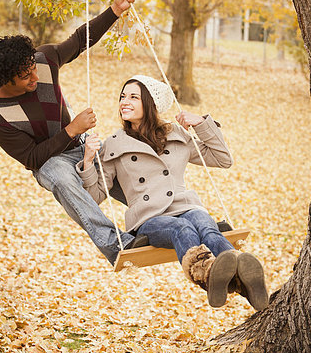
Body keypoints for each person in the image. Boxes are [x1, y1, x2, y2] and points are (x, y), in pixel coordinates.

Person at [0, 0, 148, 266]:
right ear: (5, 79)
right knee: (60, 176)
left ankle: (175, 220)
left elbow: (80, 39)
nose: (35, 75)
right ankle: (118, 245)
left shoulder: (43, 59)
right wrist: (72, 130)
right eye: (25, 75)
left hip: (80, 147)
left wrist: (116, 10)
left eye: (33, 66)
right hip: (51, 162)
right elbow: (33, 158)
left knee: (128, 163)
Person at [77, 75, 269, 310]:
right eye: (122, 97)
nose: (124, 102)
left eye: (133, 97)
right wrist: (88, 160)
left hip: (184, 205)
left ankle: (244, 276)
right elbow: (95, 196)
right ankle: (208, 274)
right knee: (182, 228)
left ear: (150, 104)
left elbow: (222, 159)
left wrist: (200, 123)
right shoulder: (113, 144)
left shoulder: (176, 134)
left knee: (204, 224)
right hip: (149, 218)